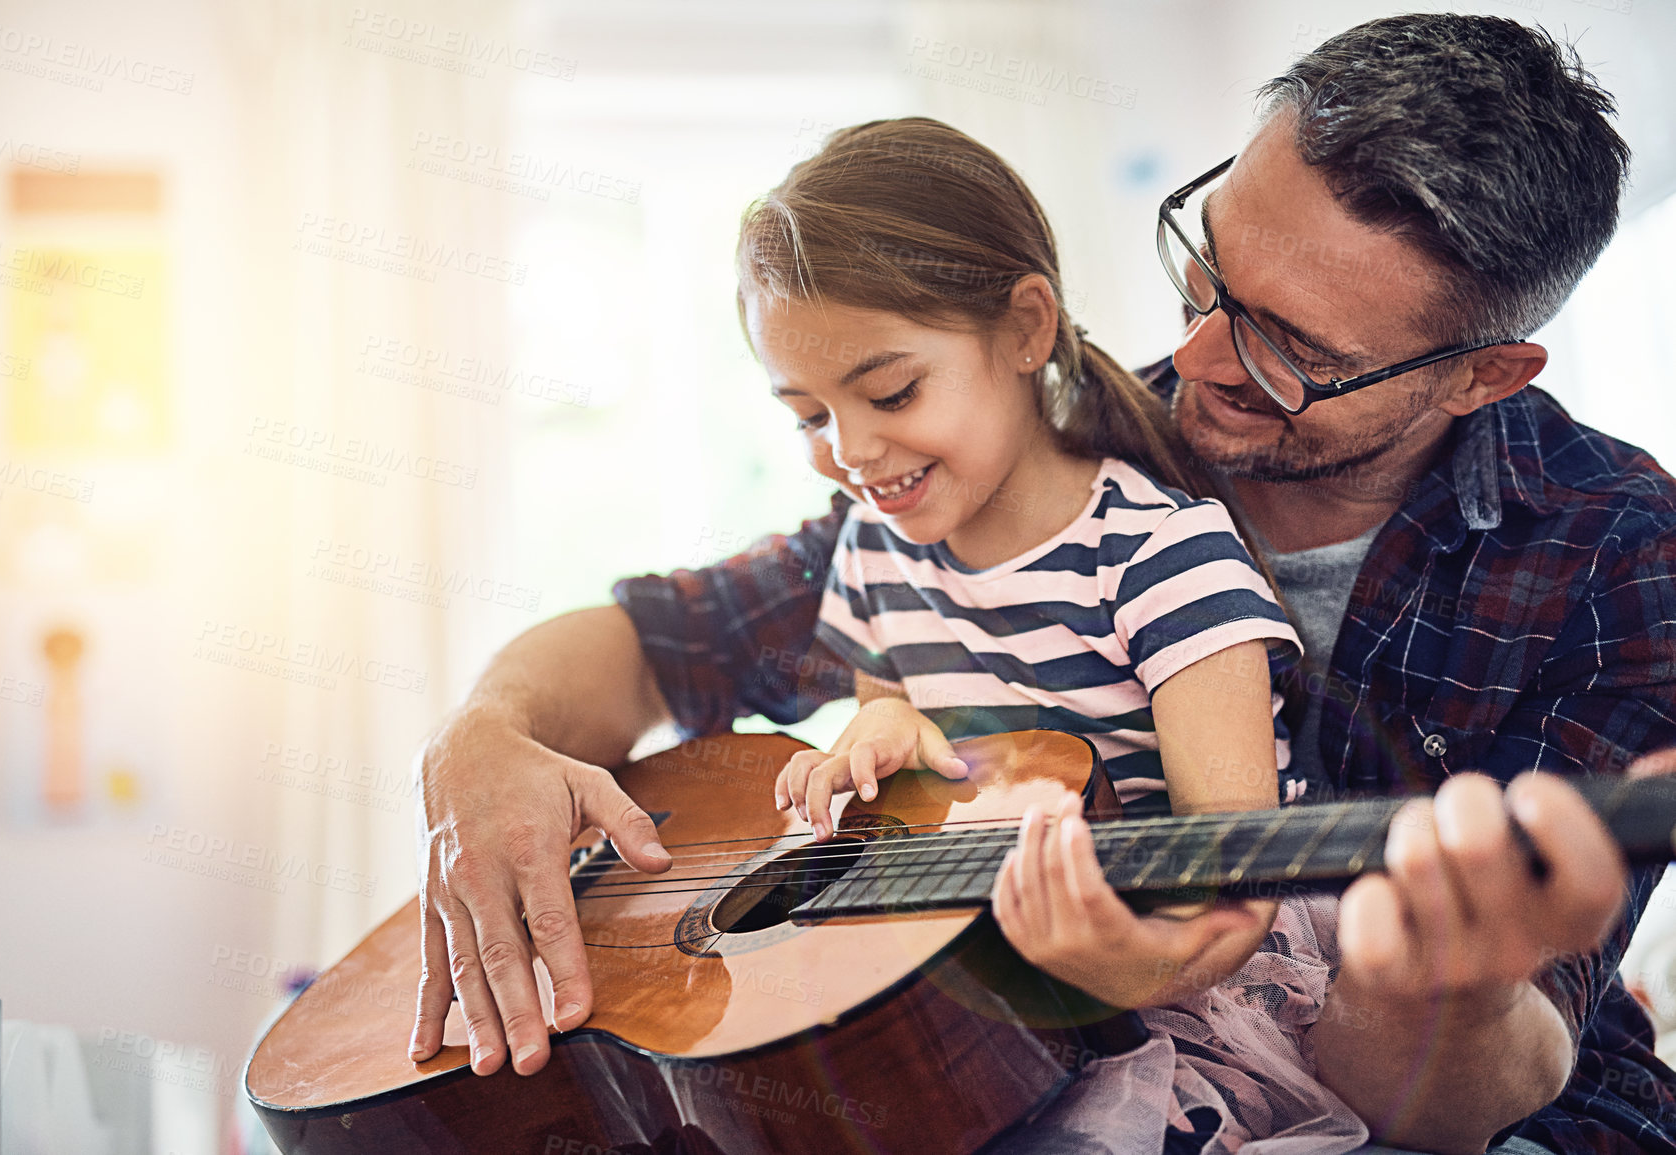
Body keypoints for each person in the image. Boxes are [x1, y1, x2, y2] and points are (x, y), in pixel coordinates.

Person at [411, 14, 1676, 1155]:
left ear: (1481, 376)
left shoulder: (1622, 555)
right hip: (1051, 1048)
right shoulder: (1050, 449)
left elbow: (1457, 1096)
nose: (1194, 354)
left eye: (1291, 349)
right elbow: (652, 640)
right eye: (1206, 272)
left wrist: (1426, 982)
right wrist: (484, 741)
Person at [746, 118, 1367, 1151]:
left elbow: (1235, 877)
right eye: (808, 415)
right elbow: (901, 762)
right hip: (989, 984)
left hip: (1188, 987)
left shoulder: (1163, 560)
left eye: (891, 391)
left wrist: (1121, 969)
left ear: (1028, 327)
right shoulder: (873, 549)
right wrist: (881, 733)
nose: (851, 450)